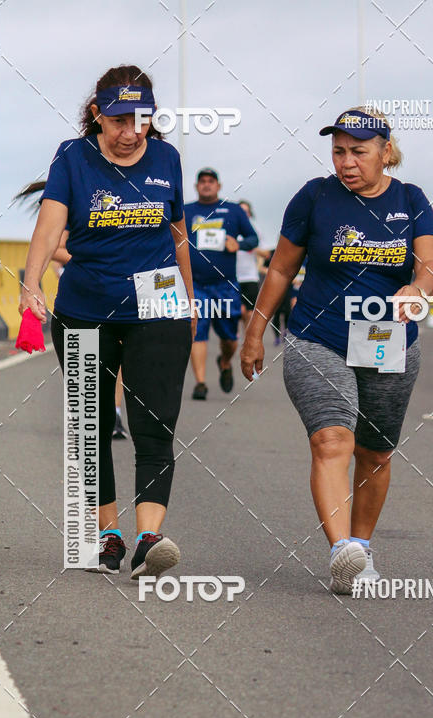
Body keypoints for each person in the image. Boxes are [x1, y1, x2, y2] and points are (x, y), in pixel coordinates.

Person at [241, 106, 433, 593]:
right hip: (318, 335)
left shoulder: (411, 200)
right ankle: (340, 551)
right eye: (338, 151)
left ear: (385, 153)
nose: (346, 162)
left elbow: (431, 265)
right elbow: (282, 270)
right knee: (332, 440)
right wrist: (254, 332)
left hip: (387, 341)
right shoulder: (315, 197)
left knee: (374, 453)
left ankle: (362, 548)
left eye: (358, 151)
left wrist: (418, 288)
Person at [19, 64, 196, 577]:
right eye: (119, 121)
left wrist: (189, 297)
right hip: (85, 310)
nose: (131, 132)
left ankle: (149, 537)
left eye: (142, 120)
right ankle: (108, 535)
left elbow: (178, 232)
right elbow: (50, 224)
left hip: (159, 307)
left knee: (154, 422)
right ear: (98, 115)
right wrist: (31, 283)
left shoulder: (167, 159)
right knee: (90, 427)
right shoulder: (73, 158)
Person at [184, 169, 258, 399]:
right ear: (196, 186)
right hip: (197, 285)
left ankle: (225, 361)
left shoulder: (233, 211)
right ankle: (200, 383)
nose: (206, 185)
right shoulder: (186, 212)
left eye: (211, 181)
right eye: (202, 182)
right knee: (198, 331)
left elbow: (252, 238)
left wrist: (239, 244)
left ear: (218, 185)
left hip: (225, 285)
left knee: (229, 338)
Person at [236, 200, 270, 332]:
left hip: (250, 276)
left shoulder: (255, 231)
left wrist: (251, 246)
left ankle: (247, 339)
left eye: (246, 212)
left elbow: (266, 253)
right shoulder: (231, 228)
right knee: (240, 311)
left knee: (250, 312)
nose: (244, 214)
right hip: (233, 276)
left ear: (250, 214)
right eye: (241, 212)